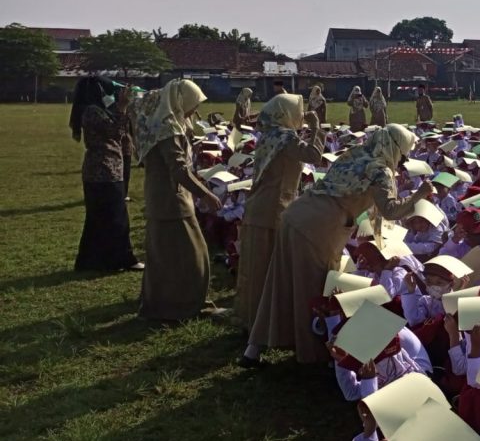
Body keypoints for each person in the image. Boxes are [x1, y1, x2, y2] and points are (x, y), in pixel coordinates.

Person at [242, 124, 433, 365]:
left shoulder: (353, 154)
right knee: (315, 287)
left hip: (298, 213)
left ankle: (253, 348)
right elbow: (391, 210)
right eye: (403, 155)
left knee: (280, 280)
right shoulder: (379, 170)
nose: (402, 160)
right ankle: (313, 354)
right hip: (321, 227)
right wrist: (418, 195)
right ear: (394, 148)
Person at [235, 95, 325, 330]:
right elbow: (314, 156)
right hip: (274, 207)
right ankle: (264, 322)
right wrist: (316, 128)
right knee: (268, 268)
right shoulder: (285, 137)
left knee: (256, 267)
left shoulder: (270, 135)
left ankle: (252, 317)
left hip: (260, 204)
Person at [134, 79, 221, 321]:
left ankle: (160, 305)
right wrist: (206, 193)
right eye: (194, 105)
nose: (196, 111)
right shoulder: (168, 130)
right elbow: (179, 170)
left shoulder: (160, 123)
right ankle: (190, 306)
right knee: (192, 257)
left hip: (160, 197)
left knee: (163, 257)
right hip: (172, 201)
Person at [69, 76, 143, 272]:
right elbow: (116, 131)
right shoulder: (93, 112)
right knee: (116, 218)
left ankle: (92, 261)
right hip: (105, 171)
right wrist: (122, 107)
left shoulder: (93, 110)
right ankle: (124, 259)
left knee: (98, 219)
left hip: (101, 171)